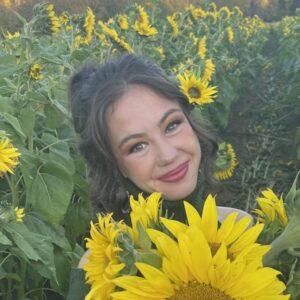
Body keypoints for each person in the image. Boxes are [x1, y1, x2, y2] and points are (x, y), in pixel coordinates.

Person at [66, 54, 251, 299]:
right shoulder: (101, 270)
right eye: (137, 146)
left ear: (190, 122)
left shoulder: (240, 229)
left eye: (172, 125)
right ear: (116, 165)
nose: (167, 155)